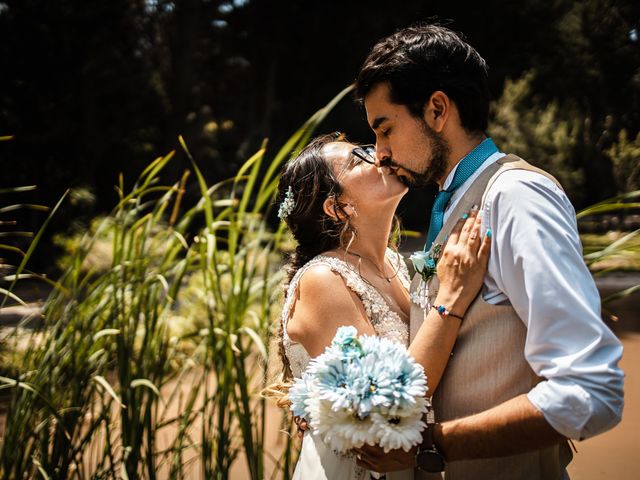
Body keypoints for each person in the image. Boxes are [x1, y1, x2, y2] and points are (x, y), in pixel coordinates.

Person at [353, 23, 625, 479]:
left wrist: (434, 446)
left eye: (386, 129)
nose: (380, 153)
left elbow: (590, 391)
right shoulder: (453, 201)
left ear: (437, 109)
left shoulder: (516, 196)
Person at [268, 132, 490, 480]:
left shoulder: (394, 265)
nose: (381, 155)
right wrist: (451, 297)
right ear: (338, 207)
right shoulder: (322, 280)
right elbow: (384, 405)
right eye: (360, 157)